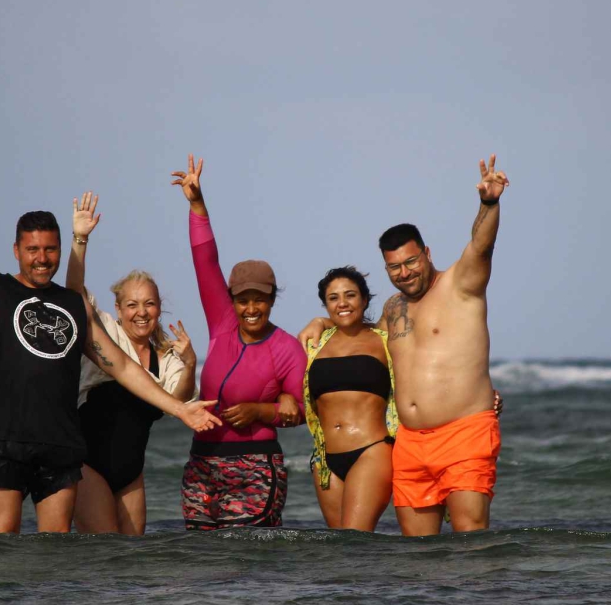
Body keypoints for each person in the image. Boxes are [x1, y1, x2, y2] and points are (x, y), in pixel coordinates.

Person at [0, 159, 219, 534]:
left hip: (60, 445)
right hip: (3, 439)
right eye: (33, 250)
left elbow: (122, 367)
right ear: (16, 250)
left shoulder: (73, 305)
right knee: (2, 542)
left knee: (54, 555)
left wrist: (180, 410)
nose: (42, 259)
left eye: (51, 249)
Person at [300, 154, 510, 535]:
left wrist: (489, 203)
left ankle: (482, 598)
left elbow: (480, 245)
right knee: (417, 556)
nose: (405, 272)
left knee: (470, 537)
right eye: (395, 267)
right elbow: (359, 333)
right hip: (410, 443)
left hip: (464, 431)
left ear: (427, 254)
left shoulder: (461, 284)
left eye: (411, 262)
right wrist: (321, 320)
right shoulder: (393, 309)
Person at [172, 154, 308, 530]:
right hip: (202, 464)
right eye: (243, 299)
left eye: (260, 299)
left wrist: (258, 411)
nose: (251, 308)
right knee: (203, 560)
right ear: (231, 299)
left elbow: (298, 411)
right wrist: (197, 205)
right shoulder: (221, 324)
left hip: (255, 466)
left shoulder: (286, 349)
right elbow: (205, 262)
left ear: (272, 300)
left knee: (247, 563)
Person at [64, 191, 198, 535]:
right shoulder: (105, 332)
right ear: (119, 309)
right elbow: (73, 292)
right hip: (88, 464)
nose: (142, 312)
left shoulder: (166, 356)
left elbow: (178, 403)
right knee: (105, 553)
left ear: (159, 309)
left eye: (149, 304)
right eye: (133, 305)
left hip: (131, 473)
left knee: (134, 560)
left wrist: (191, 365)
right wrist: (80, 239)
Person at [302, 267, 398, 531]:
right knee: (340, 549)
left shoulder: (384, 341)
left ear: (364, 300)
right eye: (333, 298)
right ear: (326, 305)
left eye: (350, 295)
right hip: (326, 459)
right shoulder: (315, 344)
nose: (342, 303)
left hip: (371, 451)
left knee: (355, 538)